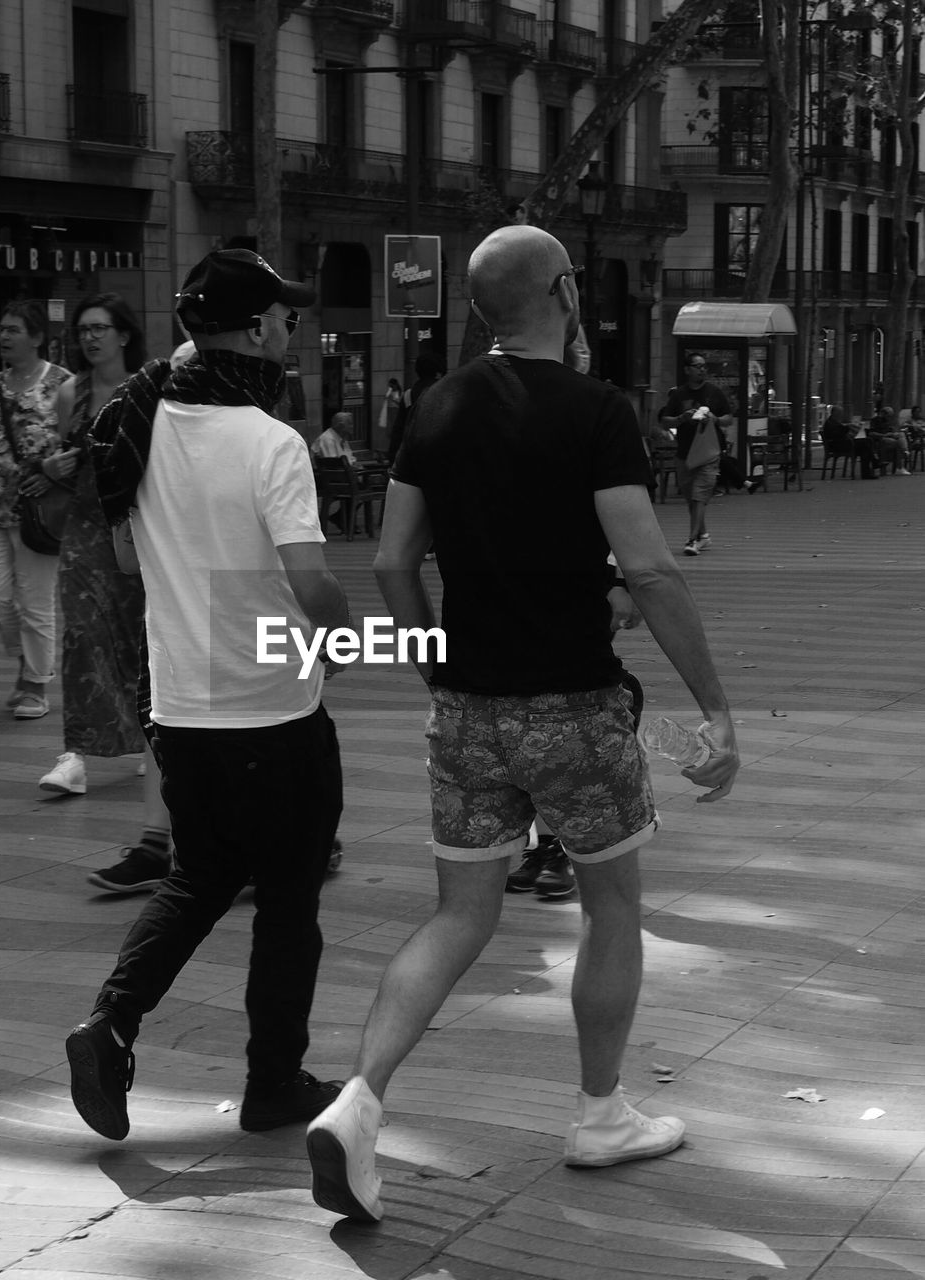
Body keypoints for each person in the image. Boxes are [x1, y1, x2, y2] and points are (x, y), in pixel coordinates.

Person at [305, 224, 739, 1224]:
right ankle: (598, 1113)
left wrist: (430, 664)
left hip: (466, 710)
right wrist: (712, 708)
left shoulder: (437, 405)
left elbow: (387, 561)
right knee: (610, 905)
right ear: (562, 290)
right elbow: (647, 567)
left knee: (458, 912)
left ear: (477, 308)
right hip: (574, 709)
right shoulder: (596, 412)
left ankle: (359, 1099)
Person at [65, 246, 350, 1141]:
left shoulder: (140, 429)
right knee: (290, 900)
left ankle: (110, 1024)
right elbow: (310, 581)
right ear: (261, 328)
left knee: (199, 877)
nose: (291, 330)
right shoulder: (271, 444)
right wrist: (339, 636)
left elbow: (122, 557)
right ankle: (273, 1084)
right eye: (286, 319)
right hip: (273, 710)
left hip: (181, 709)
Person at [35, 294, 172, 891]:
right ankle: (77, 756)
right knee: (82, 639)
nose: (91, 338)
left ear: (124, 334)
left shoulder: (151, 387)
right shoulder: (71, 393)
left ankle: (152, 743)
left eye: (101, 329)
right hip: (86, 532)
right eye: (84, 329)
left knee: (142, 646)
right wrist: (52, 467)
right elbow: (53, 456)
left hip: (138, 530)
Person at [0, 300, 71, 719]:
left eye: (13, 329)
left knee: (37, 601)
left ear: (38, 337)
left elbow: (80, 446)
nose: (4, 336)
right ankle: (26, 655)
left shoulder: (63, 385)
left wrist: (55, 476)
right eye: (1, 328)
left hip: (40, 512)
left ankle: (35, 684)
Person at [659, 354, 734, 555]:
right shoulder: (678, 395)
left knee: (699, 495)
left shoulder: (714, 393)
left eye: (704, 366)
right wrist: (681, 418)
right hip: (685, 454)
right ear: (687, 370)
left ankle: (692, 540)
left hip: (709, 453)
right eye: (697, 366)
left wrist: (715, 419)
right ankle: (703, 536)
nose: (702, 369)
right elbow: (665, 421)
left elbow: (729, 419)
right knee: (691, 499)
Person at [387, 352, 442, 464]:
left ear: (417, 371)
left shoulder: (408, 395)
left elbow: (398, 430)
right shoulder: (445, 392)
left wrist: (392, 458)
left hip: (413, 457)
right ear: (438, 371)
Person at [820, 405, 873, 479]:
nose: (841, 415)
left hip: (842, 444)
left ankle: (868, 471)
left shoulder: (833, 421)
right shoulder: (831, 423)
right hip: (838, 446)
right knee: (866, 443)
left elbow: (841, 432)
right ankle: (870, 468)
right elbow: (837, 435)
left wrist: (849, 429)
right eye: (840, 413)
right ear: (835, 413)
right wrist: (847, 428)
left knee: (866, 445)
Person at [869, 405, 910, 475]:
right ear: (883, 413)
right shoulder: (874, 420)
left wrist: (894, 433)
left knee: (901, 434)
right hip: (881, 439)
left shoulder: (887, 421)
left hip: (889, 437)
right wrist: (884, 435)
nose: (889, 418)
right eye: (888, 415)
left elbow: (890, 430)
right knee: (898, 444)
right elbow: (871, 433)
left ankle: (905, 450)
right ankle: (900, 466)